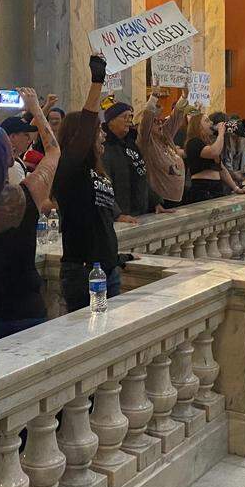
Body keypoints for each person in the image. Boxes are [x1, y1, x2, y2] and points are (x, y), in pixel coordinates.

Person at [0, 89, 60, 338]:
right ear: (9, 159)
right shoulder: (27, 194)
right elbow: (53, 151)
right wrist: (37, 109)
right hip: (25, 306)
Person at [54, 56, 137, 312]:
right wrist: (96, 82)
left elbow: (100, 219)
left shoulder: (96, 170)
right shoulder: (70, 166)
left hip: (106, 268)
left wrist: (115, 257)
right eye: (97, 131)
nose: (102, 135)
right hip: (83, 272)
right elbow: (89, 122)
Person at [101, 101, 159, 216]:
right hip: (121, 214)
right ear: (111, 121)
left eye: (130, 116)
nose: (129, 120)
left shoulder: (131, 144)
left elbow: (141, 175)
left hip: (140, 212)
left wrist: (156, 202)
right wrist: (117, 214)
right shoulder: (104, 148)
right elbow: (103, 185)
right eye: (124, 117)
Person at [184, 112, 245, 204]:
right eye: (207, 121)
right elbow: (214, 152)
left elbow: (221, 169)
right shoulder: (193, 142)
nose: (211, 123)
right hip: (203, 188)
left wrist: (236, 188)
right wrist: (221, 134)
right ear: (198, 125)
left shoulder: (208, 144)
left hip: (216, 187)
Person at [137, 89, 188, 208]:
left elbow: (176, 116)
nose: (160, 123)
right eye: (156, 121)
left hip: (177, 199)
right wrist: (154, 96)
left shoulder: (166, 134)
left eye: (161, 120)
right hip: (160, 201)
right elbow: (146, 118)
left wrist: (184, 96)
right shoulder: (146, 141)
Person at [0, 114, 36, 185]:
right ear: (13, 137)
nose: (29, 139)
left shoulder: (10, 158)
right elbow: (21, 194)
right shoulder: (13, 166)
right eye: (26, 135)